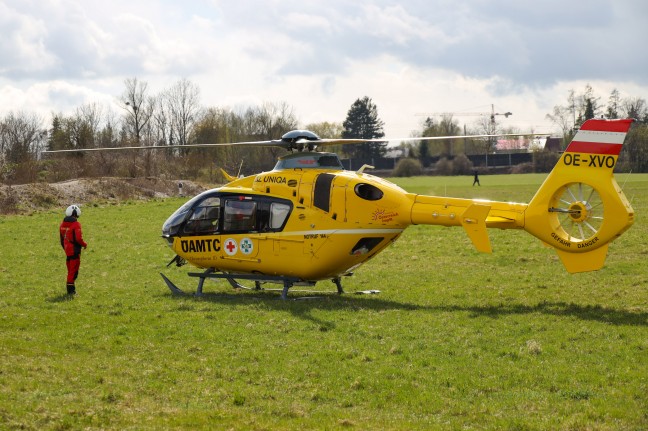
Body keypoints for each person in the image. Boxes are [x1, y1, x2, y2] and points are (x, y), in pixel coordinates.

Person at [59, 204, 88, 295]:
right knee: (73, 271)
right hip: (75, 251)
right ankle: (71, 291)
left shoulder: (62, 224)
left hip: (67, 251)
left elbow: (61, 240)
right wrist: (84, 244)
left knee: (70, 270)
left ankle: (71, 289)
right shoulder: (76, 224)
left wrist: (66, 249)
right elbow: (78, 238)